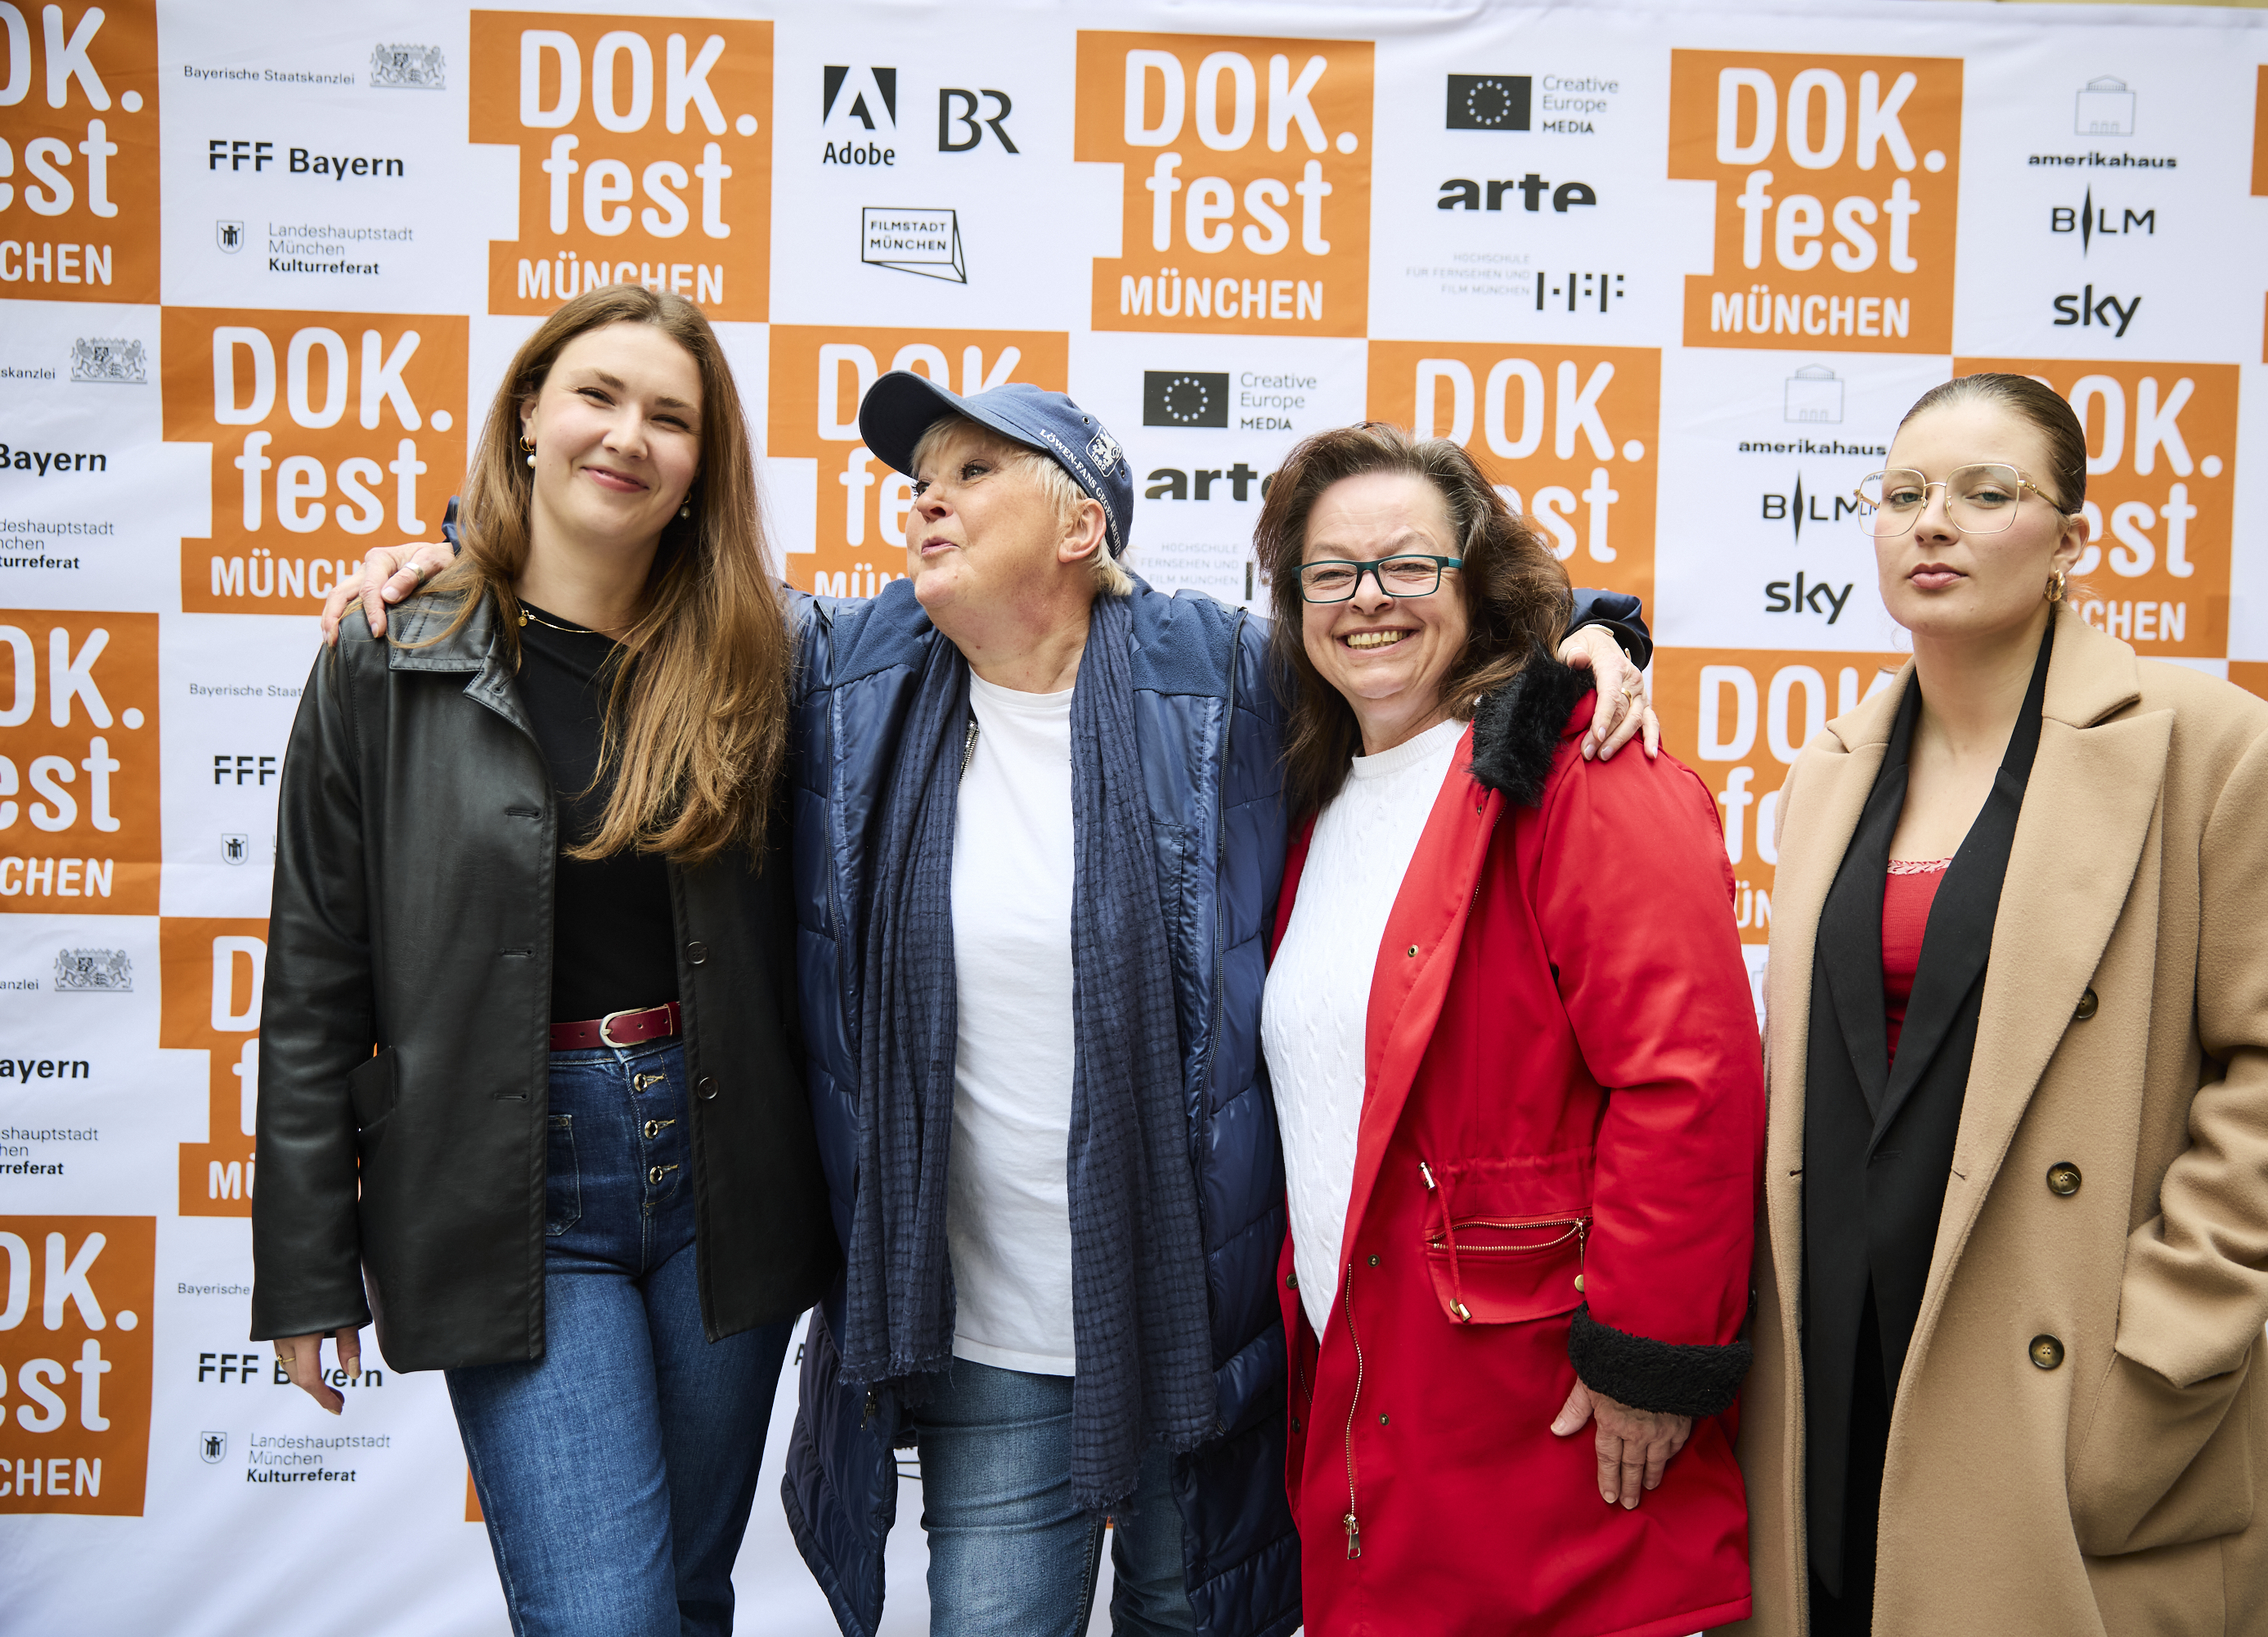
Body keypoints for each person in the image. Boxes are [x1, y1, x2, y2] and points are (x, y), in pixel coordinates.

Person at [323, 373, 1655, 1637]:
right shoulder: (851, 674)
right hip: (987, 1338)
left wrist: (1594, 631)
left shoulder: (1222, 678)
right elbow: (638, 583)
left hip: (1199, 1320)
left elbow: (1401, 632)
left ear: (1081, 526)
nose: (927, 495)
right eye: (920, 475)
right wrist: (464, 553)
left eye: (971, 470)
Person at [1735, 374, 2268, 1636]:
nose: (1932, 521)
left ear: (2073, 539)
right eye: (1903, 493)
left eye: (1987, 492)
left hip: (2059, 1384)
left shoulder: (2213, 745)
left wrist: (2161, 1351)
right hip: (1833, 1372)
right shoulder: (1829, 766)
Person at [253, 285, 833, 1636]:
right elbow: (314, 982)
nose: (628, 435)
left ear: (701, 466)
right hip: (516, 1184)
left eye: (671, 417)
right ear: (527, 415)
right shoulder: (388, 650)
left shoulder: (769, 655)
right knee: (604, 1615)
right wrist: (304, 1269)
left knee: (684, 1598)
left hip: (726, 1172)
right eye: (597, 395)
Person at [1254, 424, 1763, 1635]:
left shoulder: (1581, 768)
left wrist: (1647, 1358)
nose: (1368, 598)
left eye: (1409, 564)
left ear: (1477, 580)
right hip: (1383, 1415)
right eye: (1331, 572)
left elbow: (1689, 1076)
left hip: (1547, 1423)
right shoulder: (1310, 803)